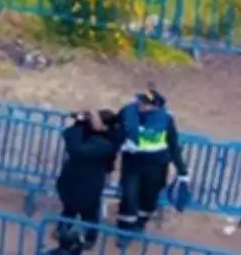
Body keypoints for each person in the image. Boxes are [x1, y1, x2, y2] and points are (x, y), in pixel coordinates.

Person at [116, 88, 184, 234]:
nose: (140, 104)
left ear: (156, 106)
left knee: (149, 198)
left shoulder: (166, 119)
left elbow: (173, 145)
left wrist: (182, 170)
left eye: (145, 103)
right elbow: (115, 129)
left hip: (156, 167)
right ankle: (124, 230)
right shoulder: (128, 112)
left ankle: (139, 224)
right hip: (132, 163)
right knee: (129, 195)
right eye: (141, 101)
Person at [57, 110, 120, 243]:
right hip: (73, 180)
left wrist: (78, 125)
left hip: (87, 184)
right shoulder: (92, 136)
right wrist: (80, 122)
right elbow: (68, 136)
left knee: (88, 213)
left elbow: (76, 149)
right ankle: (63, 231)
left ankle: (89, 238)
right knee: (69, 209)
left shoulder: (105, 144)